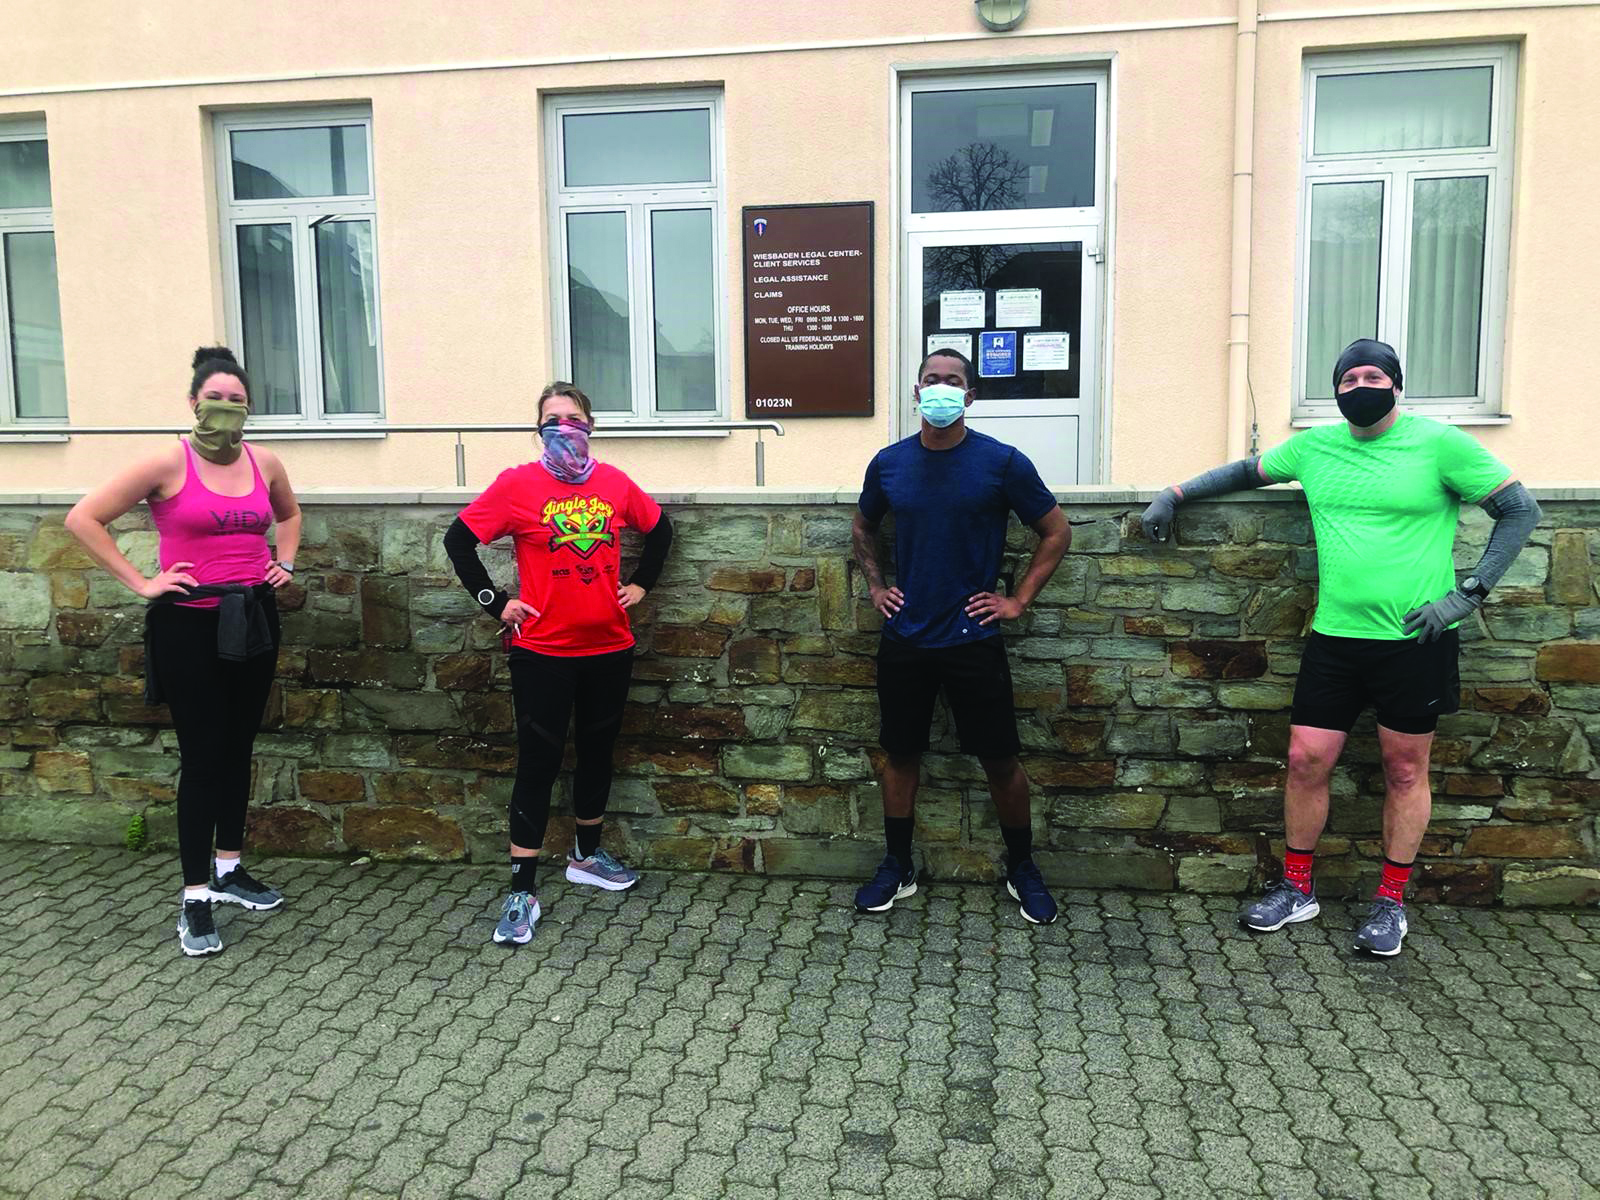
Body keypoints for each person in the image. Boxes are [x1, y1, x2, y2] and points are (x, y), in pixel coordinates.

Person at [1140, 338, 1540, 956]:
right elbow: (1245, 472)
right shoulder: (1316, 446)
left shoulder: (1440, 444)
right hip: (1335, 638)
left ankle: (1390, 903)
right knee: (1305, 760)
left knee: (1404, 769)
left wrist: (1469, 594)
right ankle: (1298, 889)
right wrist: (1175, 493)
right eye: (1347, 378)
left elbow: (1519, 509)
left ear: (1396, 384)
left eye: (1371, 376)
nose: (1359, 386)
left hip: (1416, 640)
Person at [65, 347, 301, 957]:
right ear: (194, 403)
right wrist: (143, 583)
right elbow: (83, 519)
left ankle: (229, 870)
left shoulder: (265, 460)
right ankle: (194, 898)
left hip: (252, 618)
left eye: (237, 401)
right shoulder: (166, 461)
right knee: (203, 759)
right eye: (214, 399)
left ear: (249, 409)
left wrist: (286, 563)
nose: (226, 410)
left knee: (240, 745)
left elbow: (291, 514)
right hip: (190, 627)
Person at [445, 381, 673, 947]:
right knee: (538, 763)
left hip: (610, 648)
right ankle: (522, 888)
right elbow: (458, 541)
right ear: (538, 428)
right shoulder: (516, 485)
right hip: (542, 652)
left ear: (591, 424)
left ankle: (586, 856)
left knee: (598, 753)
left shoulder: (615, 483)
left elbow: (661, 529)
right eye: (552, 419)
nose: (563, 427)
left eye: (572, 417)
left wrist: (641, 584)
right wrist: (496, 603)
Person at [852, 348, 1073, 924]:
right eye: (932, 380)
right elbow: (863, 525)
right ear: (917, 391)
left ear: (970, 397)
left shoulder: (1001, 463)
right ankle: (898, 864)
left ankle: (1021, 866)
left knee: (1000, 759)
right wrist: (878, 587)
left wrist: (1018, 599)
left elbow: (1055, 531)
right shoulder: (890, 463)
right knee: (900, 755)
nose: (942, 389)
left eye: (954, 382)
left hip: (974, 637)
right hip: (907, 639)